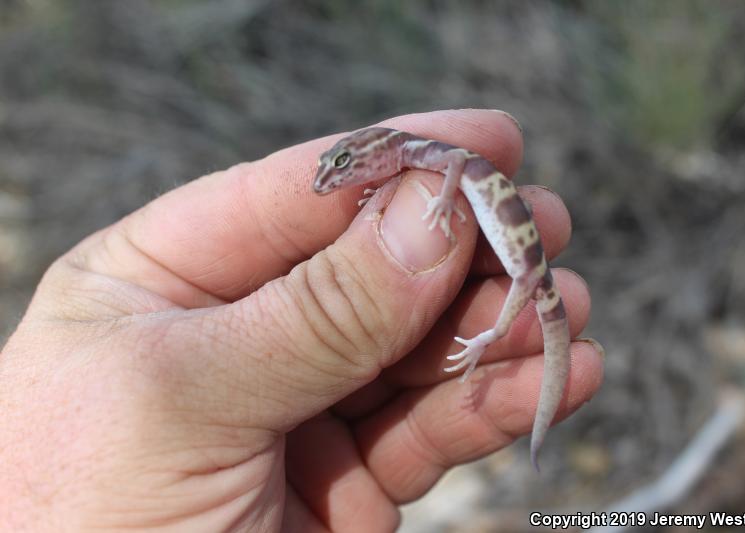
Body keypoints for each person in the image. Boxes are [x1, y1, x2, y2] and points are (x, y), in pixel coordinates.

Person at [0, 109, 603, 531]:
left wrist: (445, 206)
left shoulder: (433, 156)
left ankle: (504, 356)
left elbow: (453, 173)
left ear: (382, 153)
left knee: (530, 307)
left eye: (345, 165)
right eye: (338, 166)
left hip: (531, 277)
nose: (333, 179)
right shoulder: (410, 155)